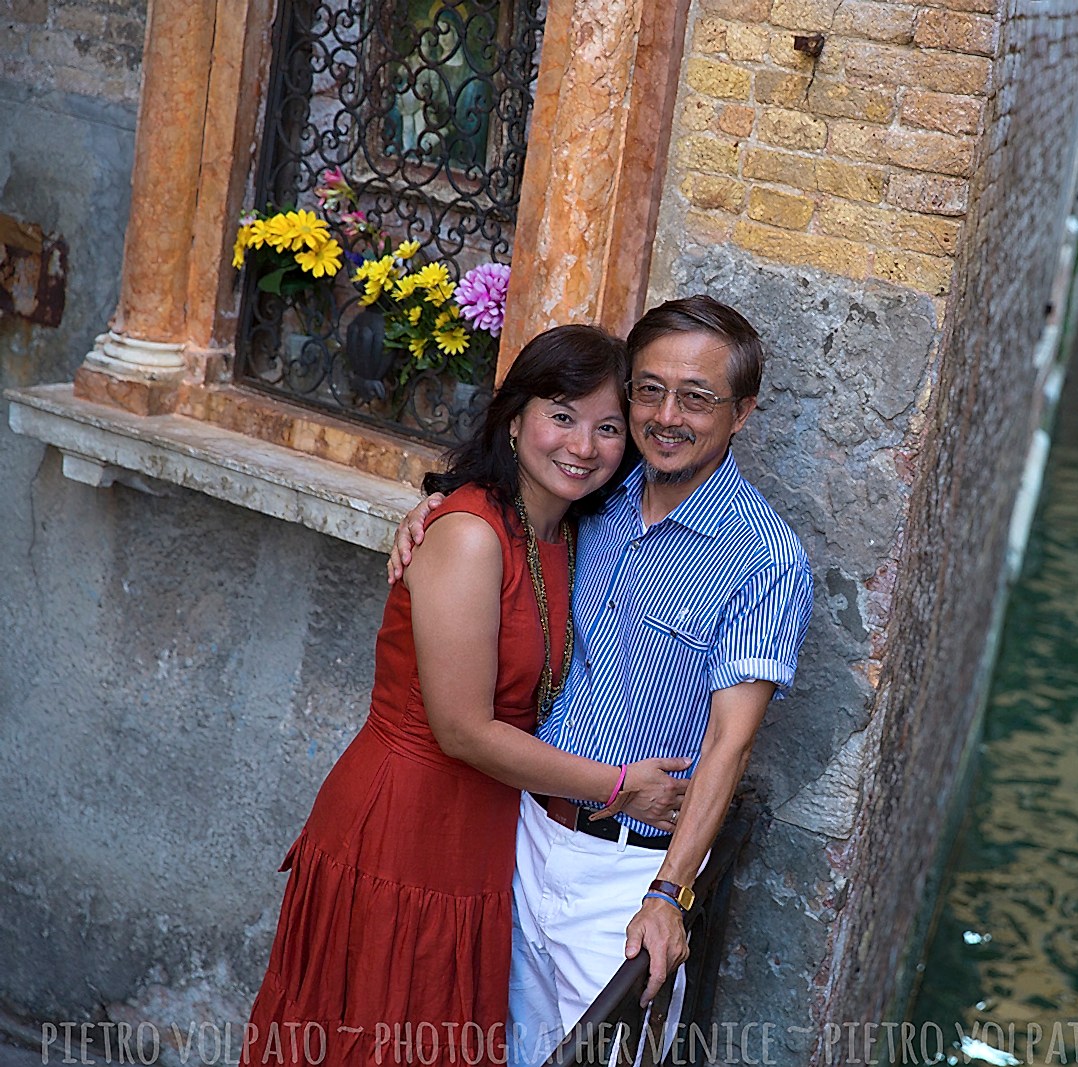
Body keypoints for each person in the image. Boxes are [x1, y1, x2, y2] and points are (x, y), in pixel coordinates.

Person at [244, 325, 691, 1067]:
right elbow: (461, 729)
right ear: (514, 418)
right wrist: (619, 787)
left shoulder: (574, 529)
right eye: (561, 414)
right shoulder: (472, 533)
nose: (583, 444)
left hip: (482, 835)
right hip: (404, 821)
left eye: (608, 426)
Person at [390, 296, 813, 1064]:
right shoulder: (598, 495)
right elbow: (501, 511)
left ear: (742, 413)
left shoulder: (766, 558)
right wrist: (431, 509)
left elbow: (730, 740)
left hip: (627, 873)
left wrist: (668, 896)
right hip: (519, 839)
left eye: (697, 396)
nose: (666, 415)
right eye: (648, 390)